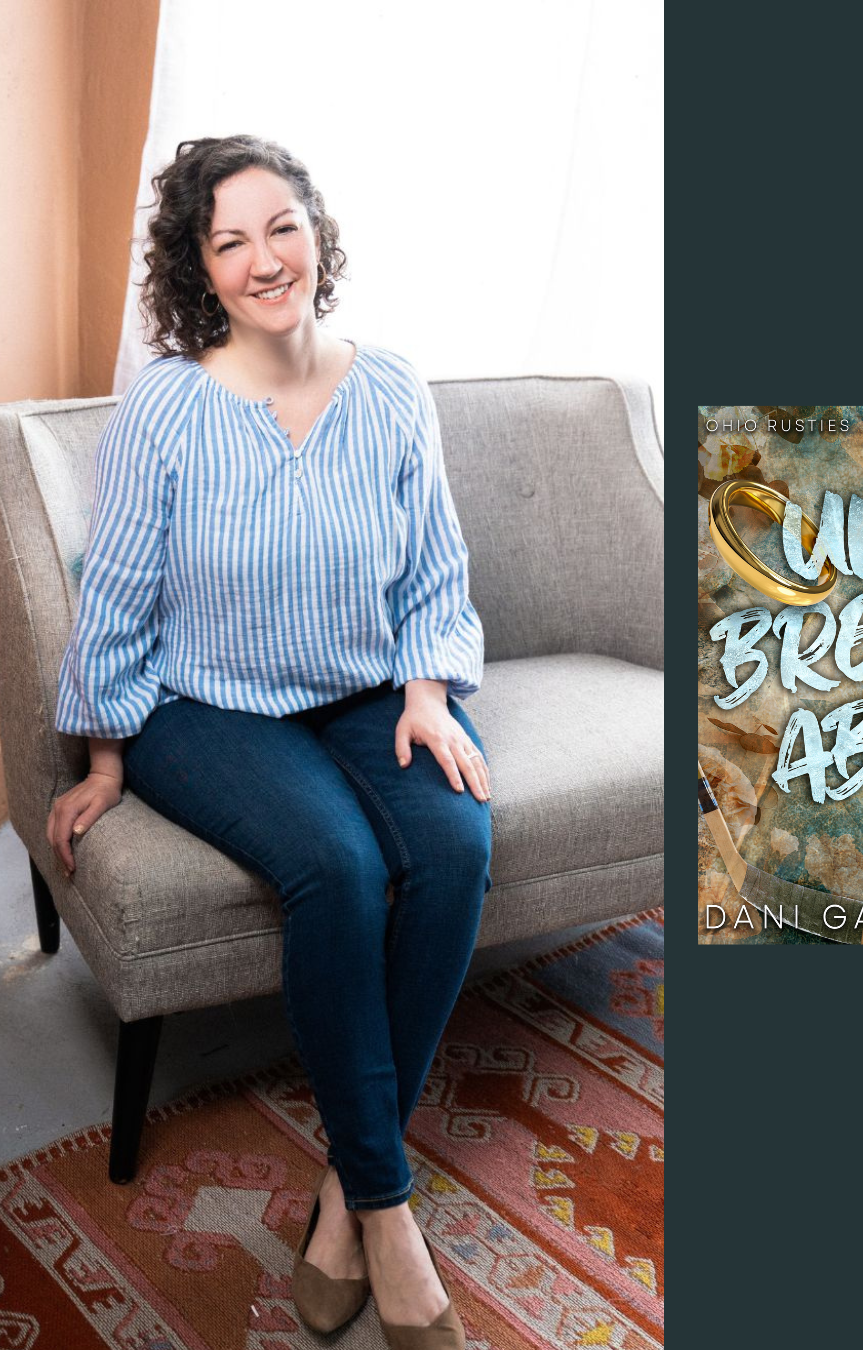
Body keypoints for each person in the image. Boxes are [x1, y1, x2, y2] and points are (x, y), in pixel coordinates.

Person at [46, 134, 491, 1347]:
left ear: (316, 233)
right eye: (229, 241)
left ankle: (344, 1197)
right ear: (200, 268)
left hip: (370, 691)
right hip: (206, 704)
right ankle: (389, 1211)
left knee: (455, 845)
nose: (264, 259)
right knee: (338, 868)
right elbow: (121, 586)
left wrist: (425, 692)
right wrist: (103, 758)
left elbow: (434, 565)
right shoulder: (169, 406)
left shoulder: (390, 388)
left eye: (281, 226)